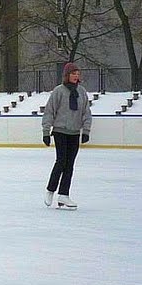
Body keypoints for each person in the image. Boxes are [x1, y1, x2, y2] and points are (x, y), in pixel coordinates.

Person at [41, 62, 92, 209]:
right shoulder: (59, 91)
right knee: (61, 161)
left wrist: (86, 131)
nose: (76, 76)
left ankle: (64, 195)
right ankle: (51, 190)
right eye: (73, 73)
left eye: (77, 73)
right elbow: (49, 111)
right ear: (67, 75)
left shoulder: (81, 92)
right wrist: (46, 131)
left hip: (75, 132)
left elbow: (86, 113)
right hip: (60, 131)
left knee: (70, 165)